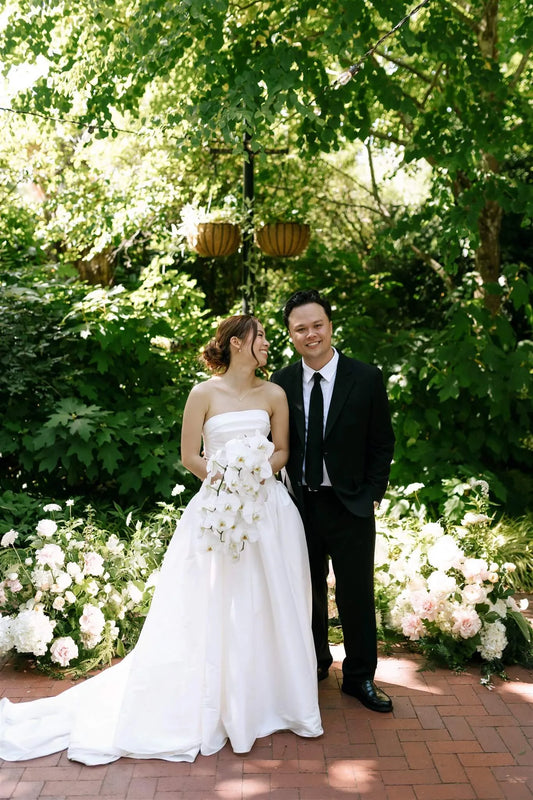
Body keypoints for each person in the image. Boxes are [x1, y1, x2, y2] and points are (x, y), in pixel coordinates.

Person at [0, 314, 322, 764]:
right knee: (215, 603)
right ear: (235, 343)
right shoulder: (202, 393)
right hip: (216, 512)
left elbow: (283, 451)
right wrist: (227, 478)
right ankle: (217, 699)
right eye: (261, 336)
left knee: (270, 602)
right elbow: (189, 455)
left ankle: (270, 699)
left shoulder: (274, 394)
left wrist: (253, 474)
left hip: (268, 512)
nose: (268, 342)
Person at [271, 290, 395, 712]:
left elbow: (382, 443)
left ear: (330, 324)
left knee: (356, 594)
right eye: (300, 328)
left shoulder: (366, 377)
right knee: (306, 592)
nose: (311, 334)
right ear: (290, 334)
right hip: (298, 505)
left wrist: (373, 494)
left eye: (317, 325)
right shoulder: (281, 384)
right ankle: (315, 665)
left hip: (352, 505)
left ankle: (359, 678)